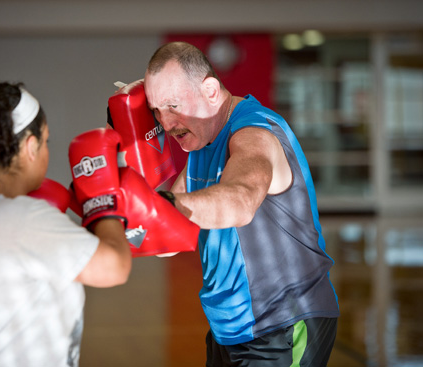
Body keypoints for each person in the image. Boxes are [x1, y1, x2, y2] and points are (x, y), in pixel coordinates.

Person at [142, 42, 340, 366]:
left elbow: (240, 201)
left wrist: (161, 205)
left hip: (284, 325)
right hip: (230, 329)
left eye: (173, 106)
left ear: (210, 90)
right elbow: (165, 237)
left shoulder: (254, 133)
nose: (165, 123)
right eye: (157, 111)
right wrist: (113, 206)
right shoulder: (201, 145)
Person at [0, 77, 131, 367]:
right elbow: (114, 267)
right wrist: (102, 201)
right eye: (46, 141)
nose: (47, 150)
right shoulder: (22, 219)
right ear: (31, 146)